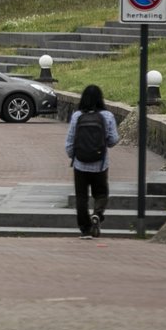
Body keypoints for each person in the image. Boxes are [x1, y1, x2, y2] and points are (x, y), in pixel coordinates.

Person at [65, 85, 120, 239]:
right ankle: (97, 214)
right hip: (100, 164)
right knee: (101, 194)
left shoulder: (77, 116)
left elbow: (69, 142)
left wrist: (74, 156)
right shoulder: (107, 116)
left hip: (80, 164)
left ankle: (85, 229)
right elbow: (113, 140)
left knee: (81, 197)